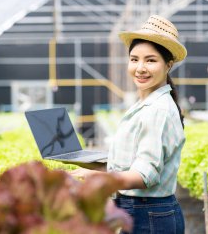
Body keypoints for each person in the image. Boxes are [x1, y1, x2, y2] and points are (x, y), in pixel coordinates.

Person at [70, 15, 187, 234]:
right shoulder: (147, 103)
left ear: (168, 65)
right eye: (134, 59)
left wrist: (99, 178)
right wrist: (93, 166)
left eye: (150, 60)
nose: (140, 68)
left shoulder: (157, 110)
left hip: (148, 214)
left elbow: (145, 176)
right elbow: (135, 164)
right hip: (146, 212)